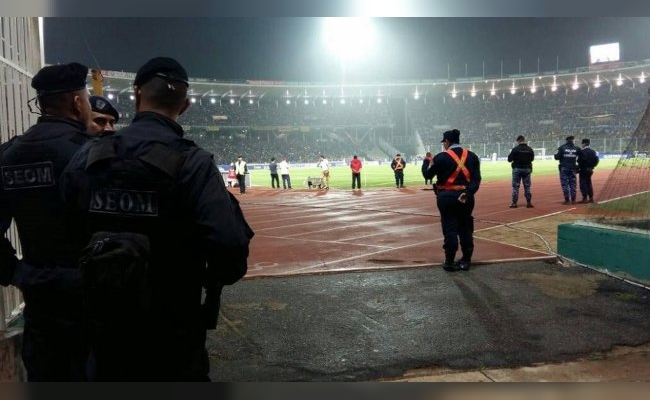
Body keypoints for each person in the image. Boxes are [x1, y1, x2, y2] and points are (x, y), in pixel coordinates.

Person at [59, 56, 254, 381]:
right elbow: (230, 247)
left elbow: (64, 223)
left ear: (136, 94)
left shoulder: (90, 155)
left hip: (106, 328)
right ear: (186, 105)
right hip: (174, 331)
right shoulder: (193, 163)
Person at [0, 62, 93, 381]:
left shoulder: (10, 155)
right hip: (89, 300)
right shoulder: (89, 153)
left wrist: (16, 271)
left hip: (39, 301)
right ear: (77, 102)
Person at [423, 129, 481, 272]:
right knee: (466, 227)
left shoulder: (441, 157)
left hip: (446, 196)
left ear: (447, 142)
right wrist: (468, 192)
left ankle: (449, 261)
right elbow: (476, 179)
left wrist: (426, 162)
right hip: (466, 196)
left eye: (444, 143)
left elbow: (428, 175)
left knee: (449, 227)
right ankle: (466, 260)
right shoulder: (472, 156)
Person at [506, 135, 535, 208]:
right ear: (524, 140)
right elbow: (532, 159)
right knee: (527, 187)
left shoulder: (515, 149)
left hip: (517, 169)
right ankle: (529, 203)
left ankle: (514, 203)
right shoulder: (529, 149)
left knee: (515, 187)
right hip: (527, 169)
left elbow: (509, 159)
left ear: (518, 141)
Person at [554, 135, 581, 205]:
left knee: (565, 184)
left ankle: (567, 200)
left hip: (564, 168)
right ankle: (573, 200)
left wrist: (556, 154)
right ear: (573, 140)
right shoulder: (577, 148)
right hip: (573, 168)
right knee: (573, 184)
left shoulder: (562, 148)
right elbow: (581, 158)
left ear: (566, 140)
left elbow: (556, 157)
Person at [577, 138, 599, 203]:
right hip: (590, 169)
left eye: (582, 143)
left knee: (583, 183)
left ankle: (584, 198)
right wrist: (592, 167)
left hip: (583, 169)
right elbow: (596, 160)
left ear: (584, 143)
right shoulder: (593, 151)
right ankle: (591, 198)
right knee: (589, 183)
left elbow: (580, 161)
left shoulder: (582, 151)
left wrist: (579, 167)